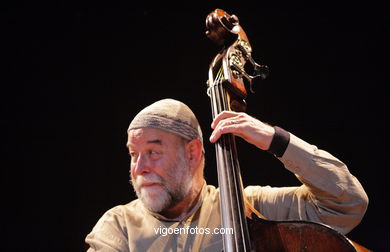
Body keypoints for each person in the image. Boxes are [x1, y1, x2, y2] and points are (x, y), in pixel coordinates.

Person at [85, 98, 368, 251]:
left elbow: (346, 204)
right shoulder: (118, 227)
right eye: (133, 154)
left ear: (192, 153)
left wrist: (275, 140)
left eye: (152, 152)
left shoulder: (249, 210)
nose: (139, 168)